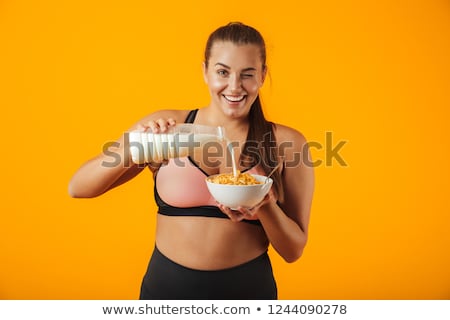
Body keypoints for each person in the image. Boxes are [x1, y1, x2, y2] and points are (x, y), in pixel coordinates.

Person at [69, 22, 314, 300]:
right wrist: (136, 145)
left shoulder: (288, 143)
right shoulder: (169, 128)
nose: (234, 87)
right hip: (164, 293)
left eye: (247, 74)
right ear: (205, 72)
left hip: (248, 294)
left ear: (262, 75)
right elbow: (79, 187)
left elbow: (293, 251)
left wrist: (266, 206)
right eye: (223, 72)